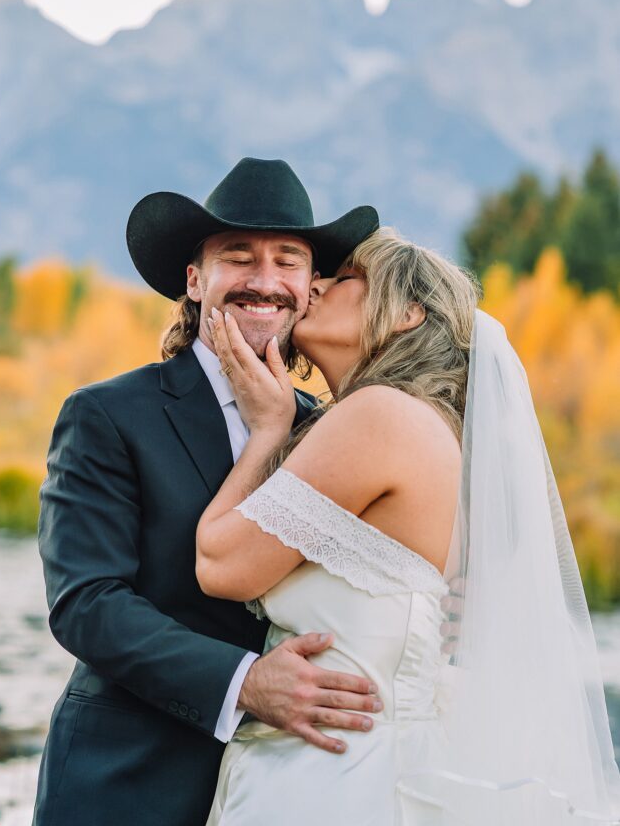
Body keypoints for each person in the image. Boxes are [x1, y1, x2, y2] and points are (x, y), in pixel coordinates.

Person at [196, 228, 620, 825]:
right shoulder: (435, 428)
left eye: (344, 279)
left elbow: (220, 565)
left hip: (340, 779)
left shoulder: (379, 415)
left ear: (405, 312)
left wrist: (267, 429)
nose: (313, 284)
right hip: (379, 760)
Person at [32, 157, 381, 826]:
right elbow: (86, 603)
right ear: (195, 281)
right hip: (126, 783)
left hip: (294, 785)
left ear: (311, 288)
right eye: (237, 257)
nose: (264, 280)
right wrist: (243, 681)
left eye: (287, 260)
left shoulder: (335, 430)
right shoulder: (107, 415)